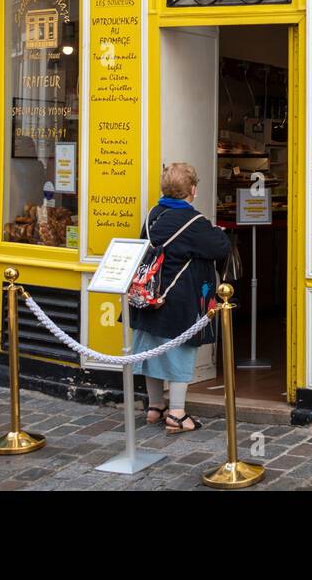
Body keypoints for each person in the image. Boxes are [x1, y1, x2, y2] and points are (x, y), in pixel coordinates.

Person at [133, 162, 230, 433]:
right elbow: (220, 247)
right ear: (193, 190)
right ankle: (176, 413)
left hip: (150, 295)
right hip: (180, 299)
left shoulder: (153, 214)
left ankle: (155, 407)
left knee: (152, 351)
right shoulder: (194, 222)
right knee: (179, 354)